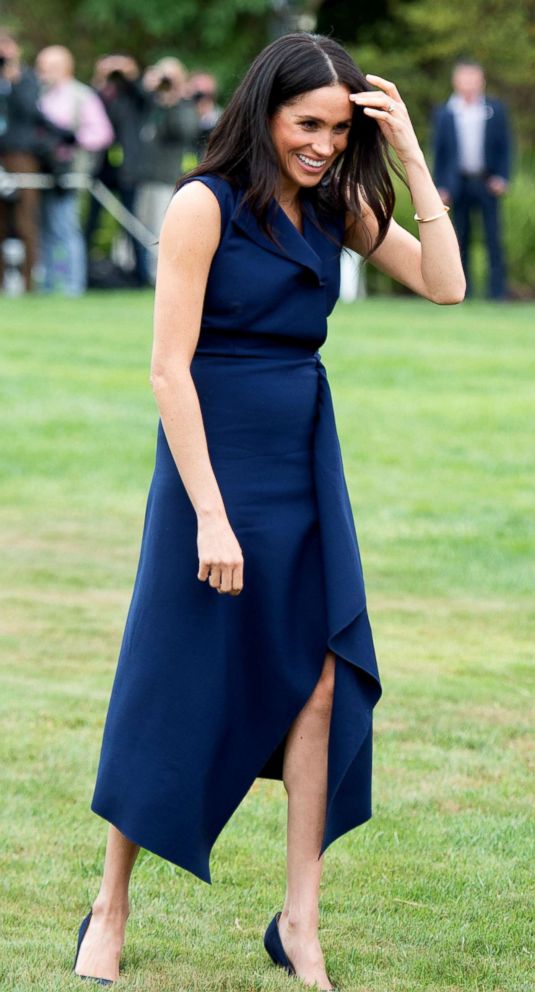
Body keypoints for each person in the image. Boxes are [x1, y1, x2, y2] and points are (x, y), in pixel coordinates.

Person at [73, 31, 465, 990]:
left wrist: (409, 154)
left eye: (338, 127)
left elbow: (446, 285)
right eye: (307, 124)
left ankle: (300, 923)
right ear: (264, 112)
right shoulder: (201, 207)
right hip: (211, 465)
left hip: (300, 463)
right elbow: (168, 368)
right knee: (177, 674)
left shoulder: (338, 205)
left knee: (322, 683)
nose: (324, 144)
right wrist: (208, 514)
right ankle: (111, 905)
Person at [34, 44, 114, 296]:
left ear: (66, 67)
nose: (45, 72)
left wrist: (73, 140)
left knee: (66, 227)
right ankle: (47, 284)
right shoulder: (37, 94)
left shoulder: (82, 95)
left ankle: (72, 285)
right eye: (42, 67)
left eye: (51, 67)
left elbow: (102, 133)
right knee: (43, 228)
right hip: (40, 171)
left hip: (70, 173)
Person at [431, 58, 513, 300]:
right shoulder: (445, 112)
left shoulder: (495, 110)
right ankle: (462, 291)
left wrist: (502, 177)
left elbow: (505, 146)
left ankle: (497, 293)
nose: (468, 83)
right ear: (455, 81)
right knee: (459, 239)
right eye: (464, 78)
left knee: (493, 239)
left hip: (487, 183)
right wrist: (441, 186)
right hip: (458, 184)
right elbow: (440, 152)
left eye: (473, 78)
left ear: (481, 80)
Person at [135, 56, 200, 284]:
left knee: (160, 231)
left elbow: (186, 131)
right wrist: (146, 86)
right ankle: (143, 276)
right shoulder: (149, 103)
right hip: (144, 177)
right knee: (142, 230)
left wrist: (174, 99)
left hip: (166, 178)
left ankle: (160, 278)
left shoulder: (183, 106)